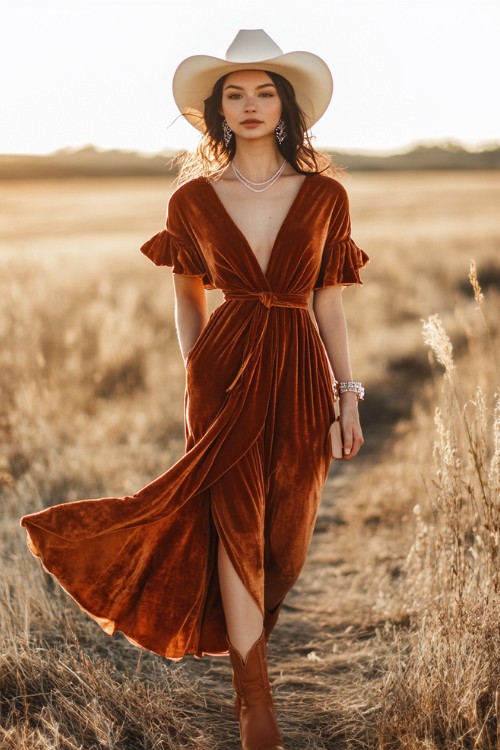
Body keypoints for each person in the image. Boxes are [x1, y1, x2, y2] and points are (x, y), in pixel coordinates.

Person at [20, 29, 368, 750]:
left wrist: (347, 394)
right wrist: (196, 369)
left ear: (286, 105)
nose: (249, 106)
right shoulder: (193, 200)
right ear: (216, 111)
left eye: (263, 92)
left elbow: (328, 303)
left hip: (302, 370)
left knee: (285, 533)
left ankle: (250, 655)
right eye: (234, 95)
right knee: (236, 522)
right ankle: (253, 699)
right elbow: (187, 298)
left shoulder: (328, 195)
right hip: (224, 371)